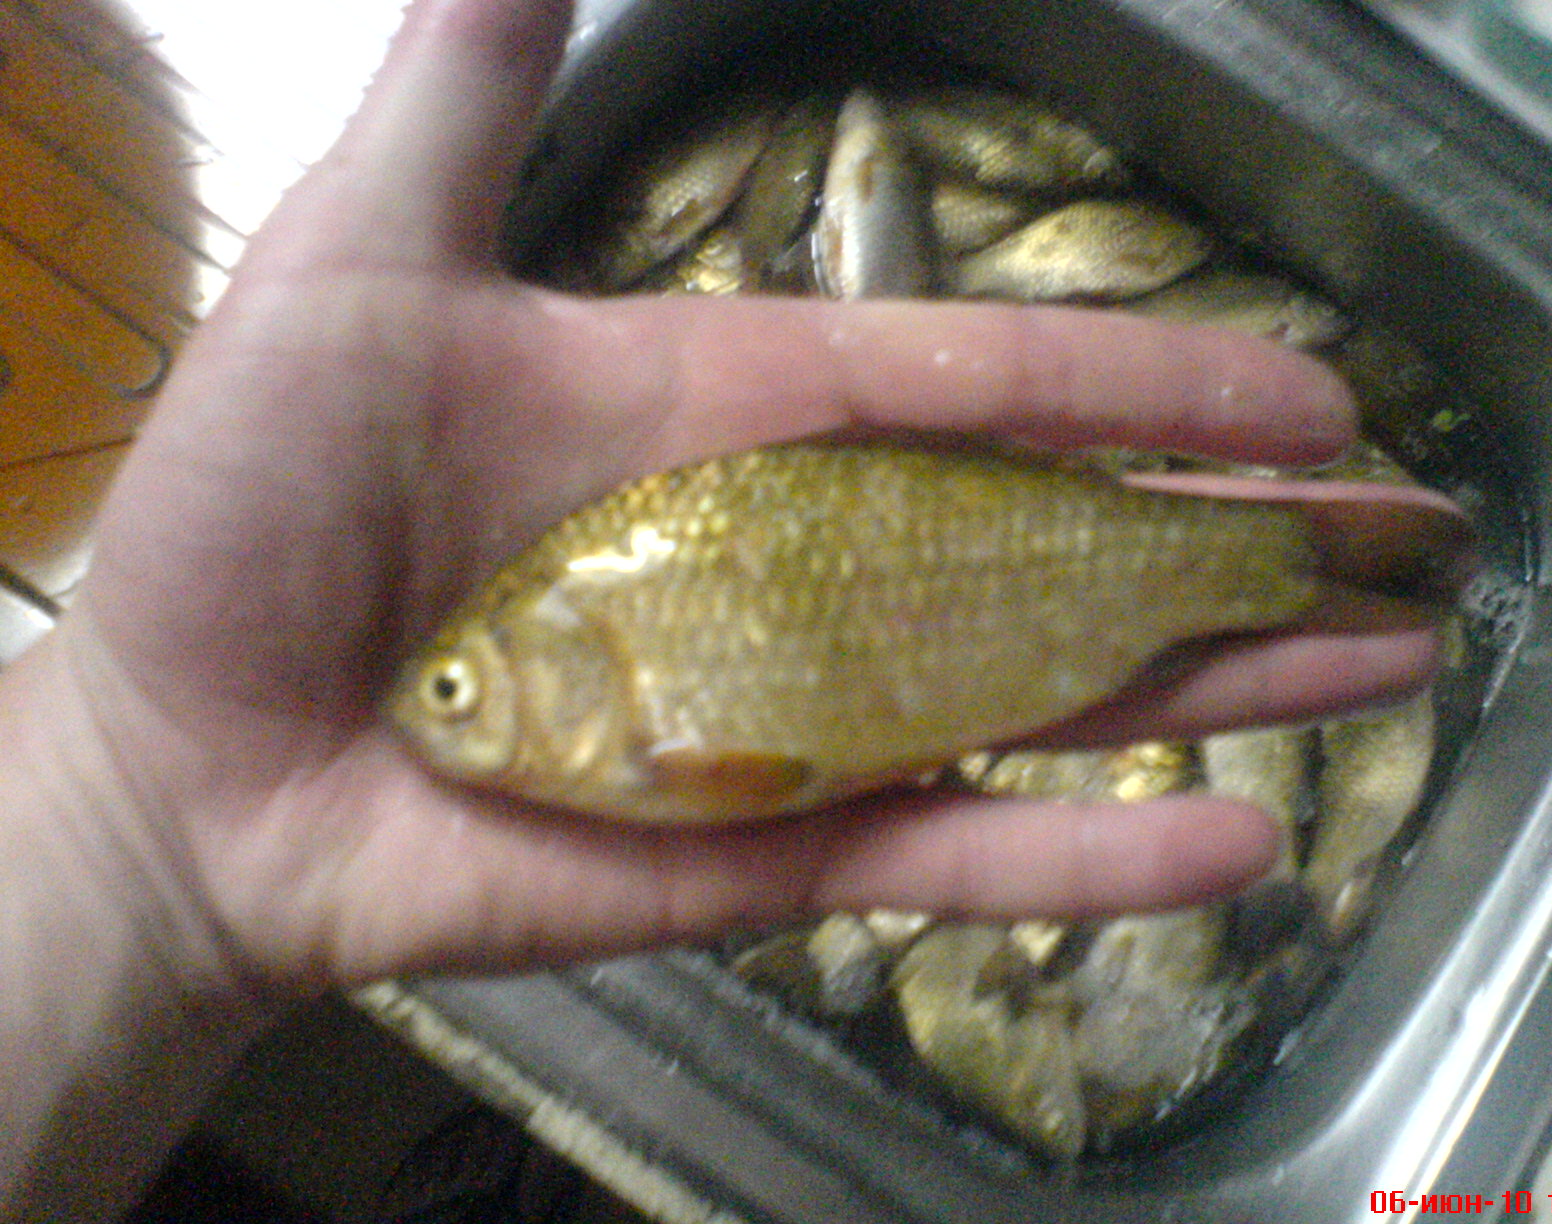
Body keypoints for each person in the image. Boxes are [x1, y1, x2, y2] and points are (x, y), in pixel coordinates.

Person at [0, 0, 1448, 1217]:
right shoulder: (589, 642)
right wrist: (132, 837)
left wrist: (130, 838)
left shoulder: (602, 654)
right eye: (454, 692)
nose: (439, 720)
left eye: (456, 689)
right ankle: (1301, 570)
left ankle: (1296, 565)